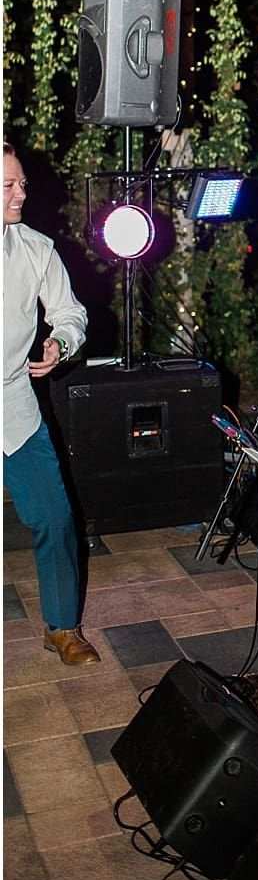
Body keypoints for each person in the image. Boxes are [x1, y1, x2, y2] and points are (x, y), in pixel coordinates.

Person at [2, 143, 98, 666]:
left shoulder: (36, 248)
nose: (21, 193)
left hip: (14, 403)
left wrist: (61, 341)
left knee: (55, 517)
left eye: (22, 183)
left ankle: (62, 627)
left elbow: (69, 312)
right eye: (8, 185)